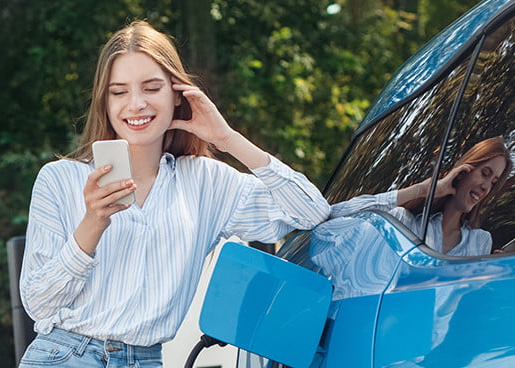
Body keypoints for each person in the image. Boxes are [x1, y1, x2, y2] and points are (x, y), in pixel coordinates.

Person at [19, 20, 330, 367]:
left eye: (151, 88)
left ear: (176, 93)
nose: (135, 104)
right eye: (119, 92)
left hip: (147, 359)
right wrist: (92, 224)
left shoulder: (206, 183)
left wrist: (227, 139)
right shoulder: (59, 180)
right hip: (64, 356)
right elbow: (39, 304)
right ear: (104, 102)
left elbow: (311, 213)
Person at [330, 136, 512, 256]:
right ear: (464, 171)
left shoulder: (480, 242)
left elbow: (470, 302)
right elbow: (335, 217)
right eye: (485, 174)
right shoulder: (403, 223)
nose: (486, 187)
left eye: (494, 182)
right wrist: (424, 189)